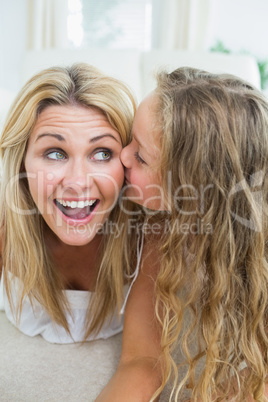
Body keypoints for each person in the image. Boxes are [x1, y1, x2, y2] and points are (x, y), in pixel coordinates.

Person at [99, 67, 268, 401]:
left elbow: (256, 379)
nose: (123, 155)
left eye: (141, 156)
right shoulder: (161, 227)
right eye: (130, 139)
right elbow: (142, 360)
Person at [0, 62, 138, 344]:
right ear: (22, 163)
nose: (78, 182)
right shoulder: (5, 227)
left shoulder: (150, 238)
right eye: (55, 153)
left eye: (101, 153)